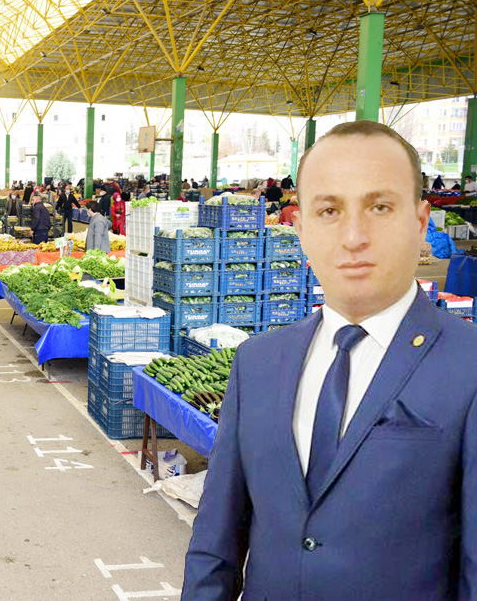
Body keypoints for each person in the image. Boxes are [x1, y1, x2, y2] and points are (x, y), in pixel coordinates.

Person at [183, 120, 477, 601]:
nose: (354, 236)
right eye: (329, 211)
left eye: (379, 207)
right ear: (300, 228)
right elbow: (216, 542)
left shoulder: (467, 367)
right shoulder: (258, 363)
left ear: (421, 221)